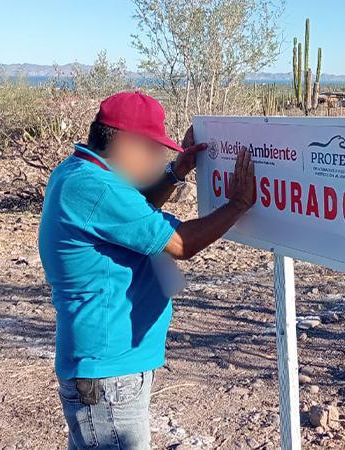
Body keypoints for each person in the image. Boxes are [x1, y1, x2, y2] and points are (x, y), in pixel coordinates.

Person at [38, 92, 255, 449]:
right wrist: (239, 204)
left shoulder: (78, 171)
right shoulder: (95, 187)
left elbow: (131, 214)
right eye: (154, 149)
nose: (159, 157)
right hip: (109, 374)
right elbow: (182, 244)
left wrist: (175, 172)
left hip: (107, 370)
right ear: (126, 142)